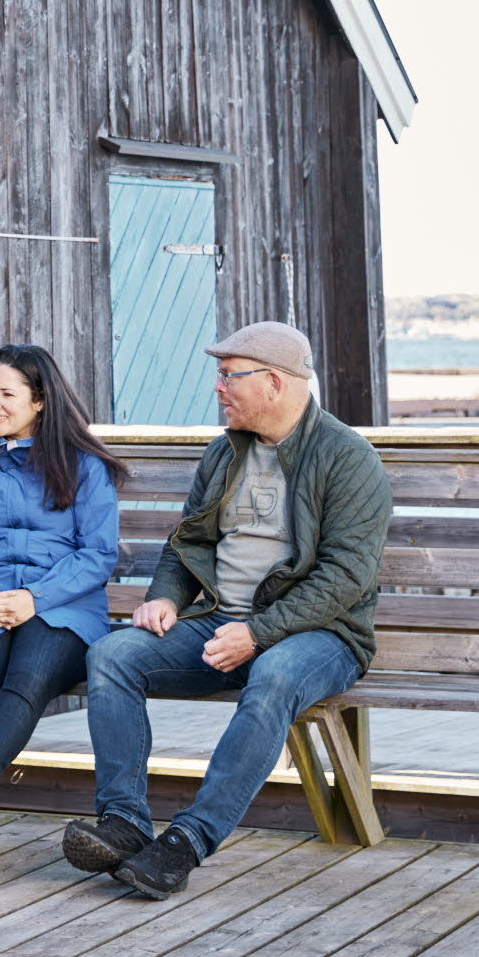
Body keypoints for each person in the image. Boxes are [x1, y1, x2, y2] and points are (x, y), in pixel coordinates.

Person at [61, 321, 391, 899]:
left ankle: (187, 841)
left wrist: (257, 634)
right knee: (113, 655)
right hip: (218, 623)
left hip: (320, 635)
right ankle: (124, 821)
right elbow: (188, 543)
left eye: (228, 375)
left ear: (273, 383)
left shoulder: (348, 458)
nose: (217, 387)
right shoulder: (224, 453)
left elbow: (345, 577)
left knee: (274, 677)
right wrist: (164, 597)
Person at [0, 345, 127, 878]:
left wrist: (33, 599)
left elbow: (97, 553)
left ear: (40, 401)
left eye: (7, 393)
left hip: (62, 610)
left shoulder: (83, 466)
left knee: (26, 680)